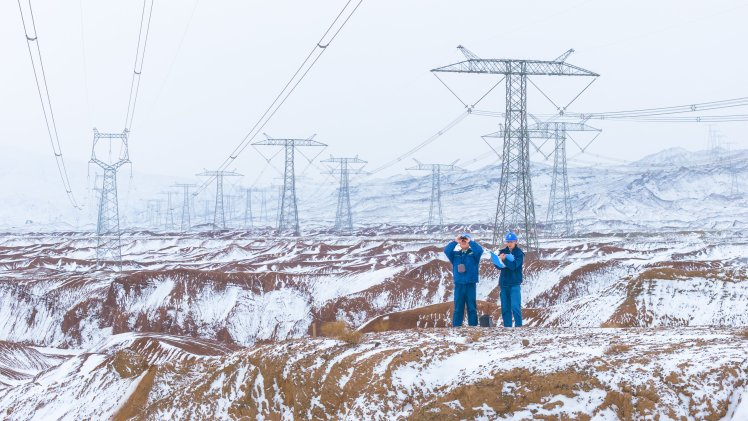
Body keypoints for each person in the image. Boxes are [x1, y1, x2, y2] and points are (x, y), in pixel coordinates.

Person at [444, 233, 484, 327]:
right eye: (462, 240)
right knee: (458, 308)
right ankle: (456, 328)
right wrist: (455, 241)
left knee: (472, 308)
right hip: (459, 284)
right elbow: (446, 250)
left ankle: (473, 327)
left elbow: (479, 250)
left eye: (465, 240)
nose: (463, 241)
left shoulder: (474, 254)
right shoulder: (455, 255)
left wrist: (470, 241)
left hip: (470, 284)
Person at [490, 232, 525, 327]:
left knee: (515, 307)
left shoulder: (519, 254)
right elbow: (499, 267)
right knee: (505, 308)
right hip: (504, 283)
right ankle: (507, 327)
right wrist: (498, 261)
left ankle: (518, 327)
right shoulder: (502, 251)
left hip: (514, 284)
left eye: (511, 241)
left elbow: (514, 266)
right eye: (508, 241)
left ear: (516, 241)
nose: (509, 243)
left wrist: (504, 259)